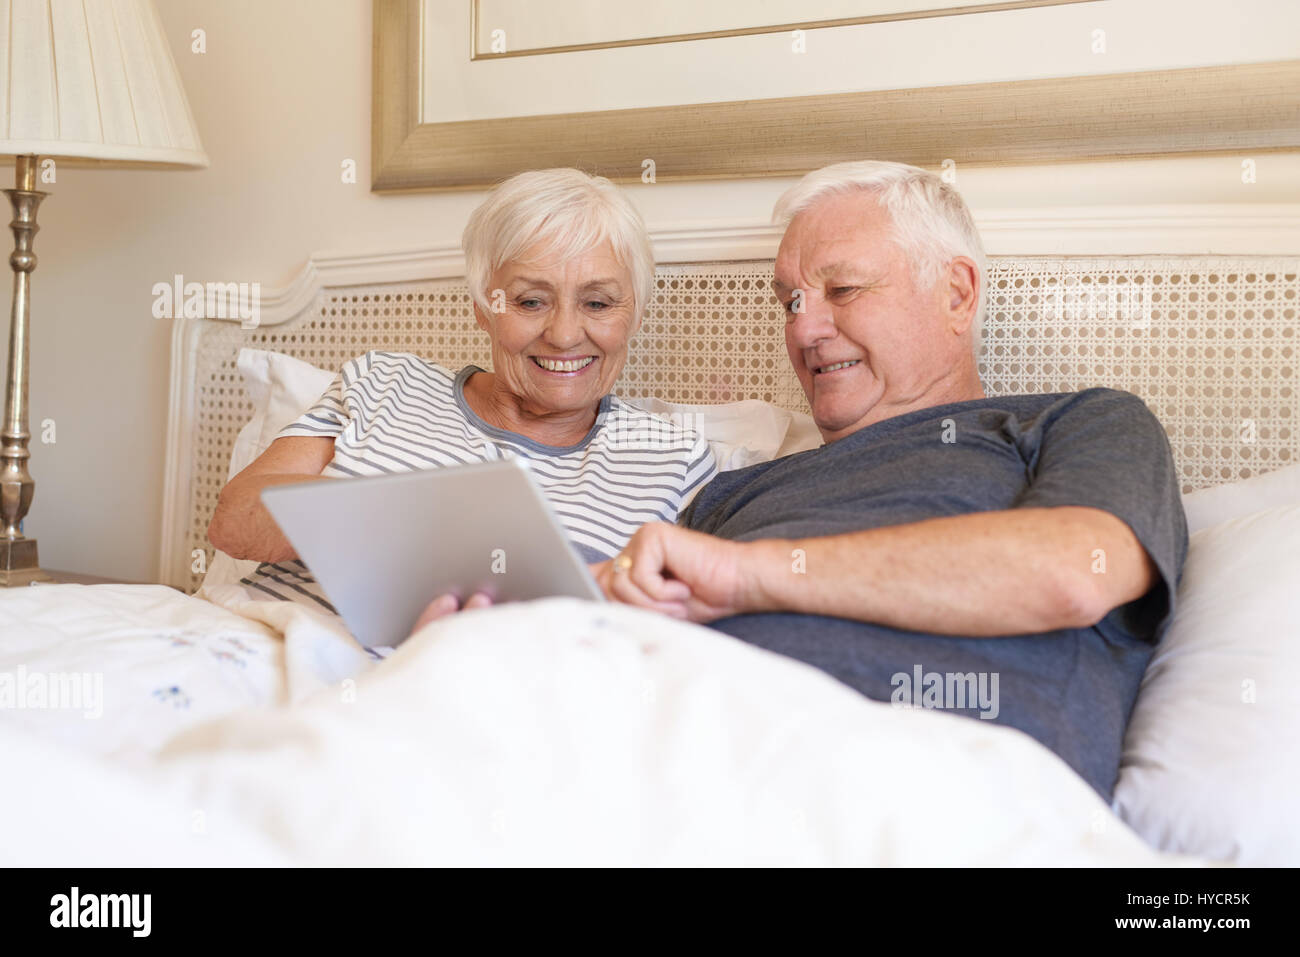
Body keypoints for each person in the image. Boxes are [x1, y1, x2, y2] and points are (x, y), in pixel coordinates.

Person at [594, 160, 1188, 800]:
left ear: (957, 294)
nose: (803, 327)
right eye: (790, 301)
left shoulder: (1075, 421)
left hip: (925, 787)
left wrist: (745, 576)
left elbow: (1072, 573)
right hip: (676, 773)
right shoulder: (729, 492)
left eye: (842, 290)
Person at [208, 168, 716, 615]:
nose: (563, 334)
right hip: (258, 638)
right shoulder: (382, 382)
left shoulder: (674, 459)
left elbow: (692, 632)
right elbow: (234, 519)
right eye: (531, 301)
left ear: (636, 313)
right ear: (482, 306)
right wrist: (408, 521)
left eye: (599, 304)